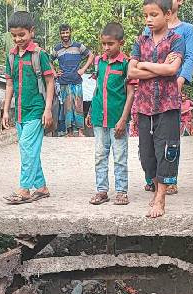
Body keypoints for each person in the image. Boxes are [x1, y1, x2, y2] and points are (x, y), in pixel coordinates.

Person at [128, 0, 185, 218]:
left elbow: (173, 69)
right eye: (146, 15)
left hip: (167, 104)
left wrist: (143, 64)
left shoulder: (176, 40)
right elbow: (131, 73)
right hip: (144, 105)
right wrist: (159, 69)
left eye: (154, 14)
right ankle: (153, 186)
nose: (149, 20)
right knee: (146, 154)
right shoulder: (140, 41)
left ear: (167, 14)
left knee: (166, 151)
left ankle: (160, 198)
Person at [141, 0, 193, 194]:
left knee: (170, 138)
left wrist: (179, 80)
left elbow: (188, 57)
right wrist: (161, 69)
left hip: (172, 88)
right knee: (148, 139)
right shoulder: (147, 31)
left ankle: (170, 180)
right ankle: (153, 178)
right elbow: (139, 62)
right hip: (149, 93)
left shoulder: (186, 30)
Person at [2, 11, 55, 204]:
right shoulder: (11, 57)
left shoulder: (39, 55)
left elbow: (50, 82)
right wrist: (6, 109)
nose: (18, 39)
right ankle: (41, 187)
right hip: (20, 112)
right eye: (14, 35)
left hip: (36, 110)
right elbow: (9, 85)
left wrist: (47, 109)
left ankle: (24, 190)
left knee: (27, 147)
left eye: (22, 35)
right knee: (29, 150)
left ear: (31, 32)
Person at [86, 22, 136, 206]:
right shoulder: (99, 62)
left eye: (110, 44)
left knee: (120, 156)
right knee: (100, 155)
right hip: (100, 116)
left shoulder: (126, 64)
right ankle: (102, 191)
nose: (106, 48)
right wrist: (91, 110)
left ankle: (121, 191)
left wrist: (123, 119)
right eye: (104, 44)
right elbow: (98, 88)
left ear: (120, 43)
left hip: (117, 119)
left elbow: (130, 93)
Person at [51, 24, 94, 137]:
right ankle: (69, 132)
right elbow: (48, 60)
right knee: (67, 107)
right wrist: (55, 73)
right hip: (64, 81)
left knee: (78, 106)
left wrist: (83, 69)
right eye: (63, 33)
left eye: (67, 32)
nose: (65, 35)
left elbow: (91, 56)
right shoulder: (57, 49)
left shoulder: (78, 46)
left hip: (77, 80)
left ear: (70, 32)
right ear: (60, 34)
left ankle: (80, 132)